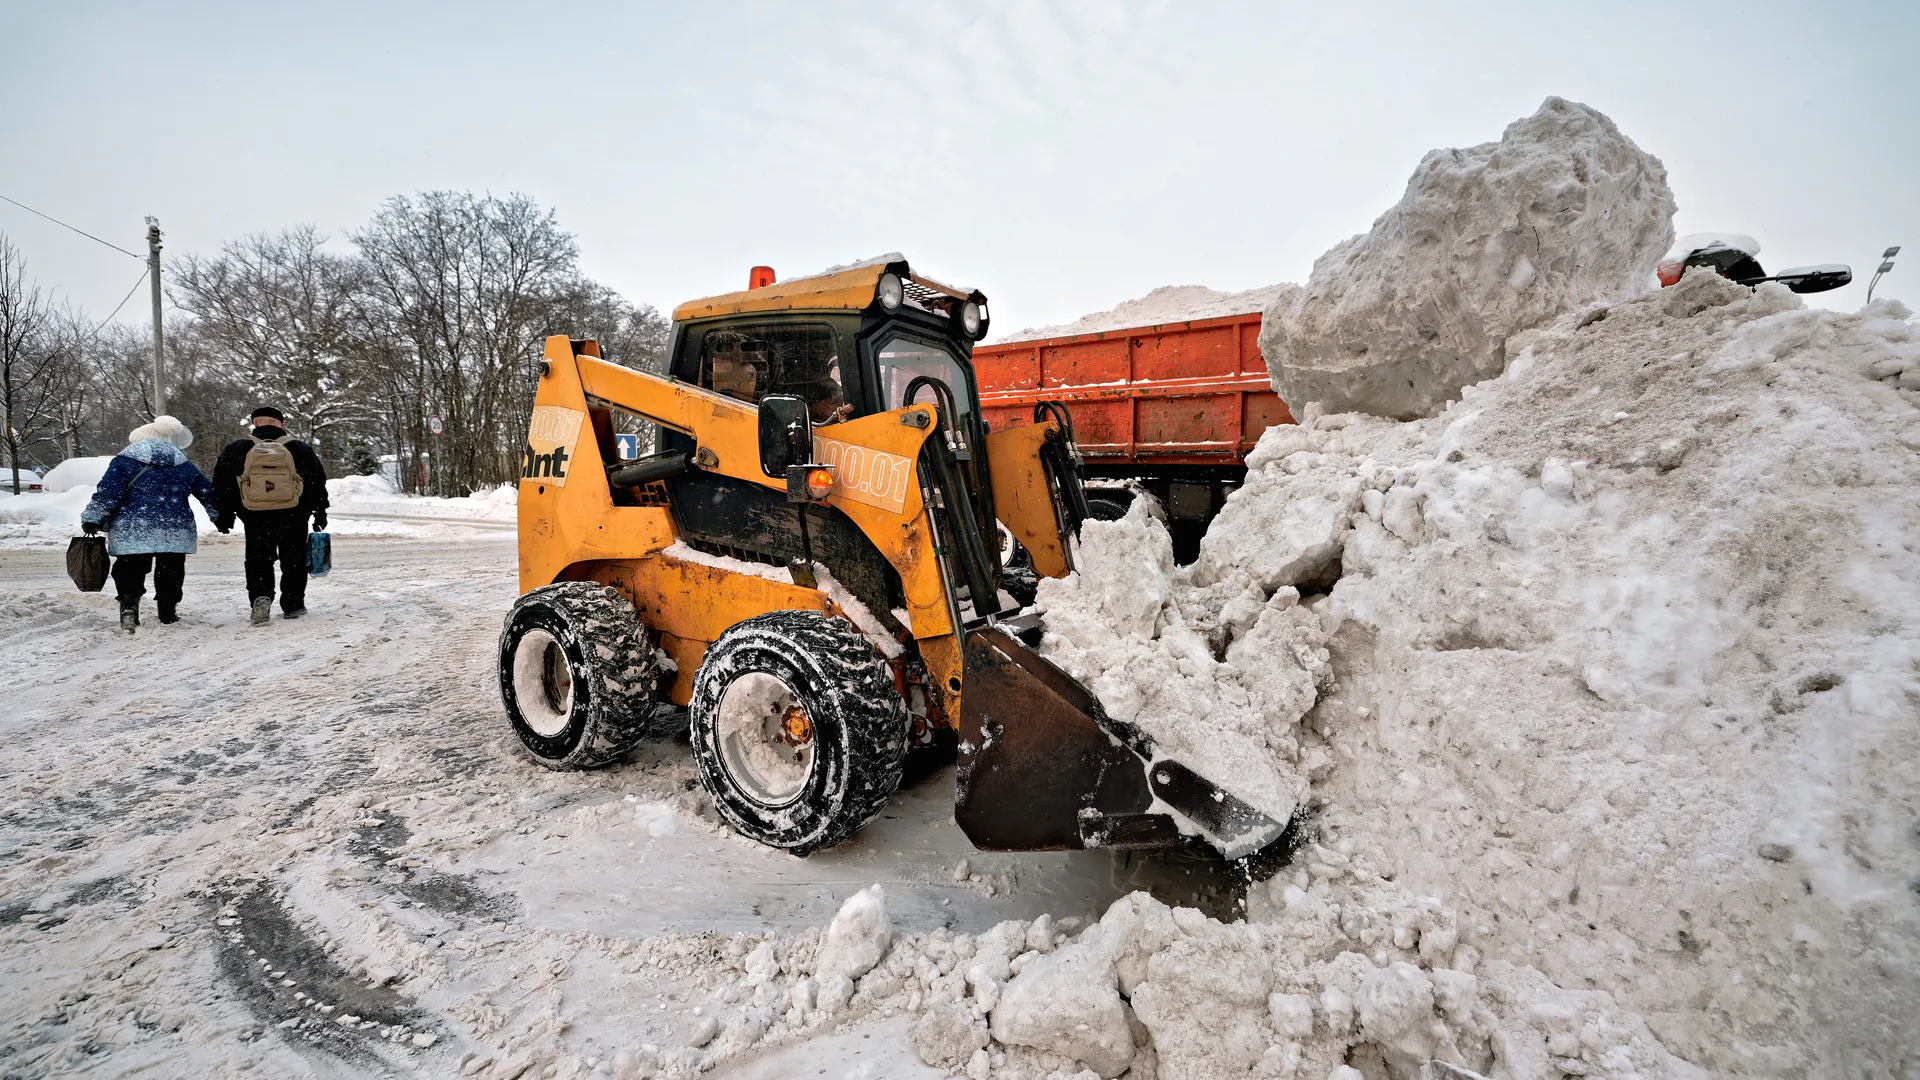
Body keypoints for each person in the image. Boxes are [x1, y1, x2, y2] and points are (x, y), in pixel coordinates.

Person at [79, 416, 215, 634]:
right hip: (175, 527)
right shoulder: (183, 464)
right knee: (171, 570)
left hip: (133, 526)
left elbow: (108, 494)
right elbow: (207, 492)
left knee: (130, 568)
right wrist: (219, 515)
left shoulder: (123, 462)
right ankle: (167, 611)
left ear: (138, 441)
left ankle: (129, 607)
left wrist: (92, 517)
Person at [211, 407, 329, 627]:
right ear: (281, 424)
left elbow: (222, 484)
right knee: (293, 559)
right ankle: (293, 604)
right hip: (294, 514)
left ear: (255, 423)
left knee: (258, 559)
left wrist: (226, 514)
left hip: (254, 515)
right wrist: (319, 511)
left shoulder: (238, 448)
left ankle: (260, 598)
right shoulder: (299, 448)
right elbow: (317, 482)